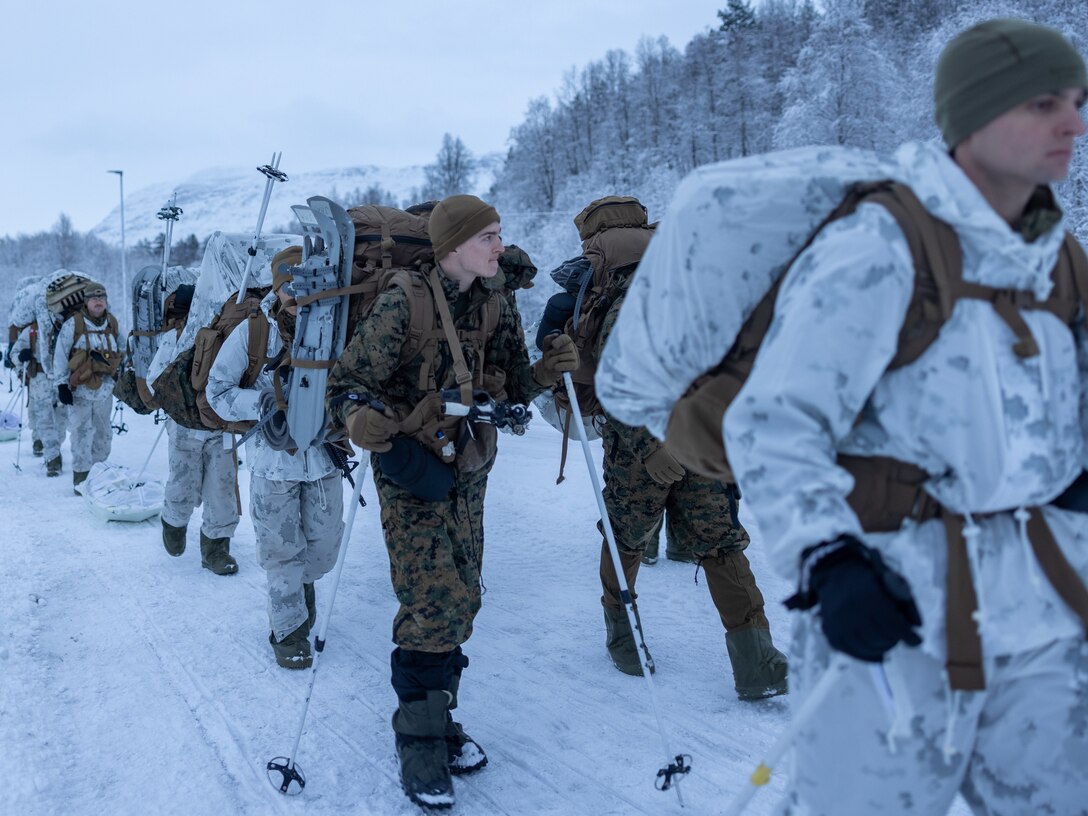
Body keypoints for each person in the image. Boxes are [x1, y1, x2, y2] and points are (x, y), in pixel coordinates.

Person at [722, 19, 1088, 814]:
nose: (1073, 123)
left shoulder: (1058, 256)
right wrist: (829, 560)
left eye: (1077, 100)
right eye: (1042, 103)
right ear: (975, 115)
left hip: (1043, 612)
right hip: (894, 608)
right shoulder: (880, 247)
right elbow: (776, 422)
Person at [326, 195, 579, 809]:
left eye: (499, 234)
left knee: (462, 596)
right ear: (454, 246)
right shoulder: (402, 301)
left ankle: (439, 721)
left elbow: (515, 382)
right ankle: (418, 743)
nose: (500, 246)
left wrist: (549, 369)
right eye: (488, 236)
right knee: (432, 600)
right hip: (412, 468)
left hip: (468, 468)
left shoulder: (495, 302)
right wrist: (360, 419)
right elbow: (347, 383)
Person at [586, 200, 788, 699]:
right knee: (720, 542)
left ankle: (624, 641)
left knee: (626, 540)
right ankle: (757, 662)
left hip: (643, 452)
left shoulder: (619, 298)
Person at [206, 247, 344, 667]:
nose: (296, 295)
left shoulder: (337, 326)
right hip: (271, 463)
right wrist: (263, 404)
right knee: (281, 552)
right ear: (276, 286)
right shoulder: (254, 332)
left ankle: (303, 591)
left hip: (323, 460)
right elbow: (218, 391)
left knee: (322, 551)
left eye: (304, 284)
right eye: (288, 286)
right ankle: (289, 632)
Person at [157, 285, 241, 575]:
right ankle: (174, 521)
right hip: (184, 427)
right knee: (183, 483)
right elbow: (157, 375)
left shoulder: (233, 329)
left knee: (222, 488)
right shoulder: (174, 337)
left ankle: (216, 550)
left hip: (221, 425)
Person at [52, 283, 121, 492]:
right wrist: (61, 385)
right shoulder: (73, 325)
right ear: (86, 302)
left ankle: (98, 473)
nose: (98, 302)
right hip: (79, 390)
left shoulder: (113, 323)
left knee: (103, 433)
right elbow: (61, 356)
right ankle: (81, 477)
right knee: (81, 432)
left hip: (105, 390)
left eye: (102, 298)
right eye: (93, 299)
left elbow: (125, 350)